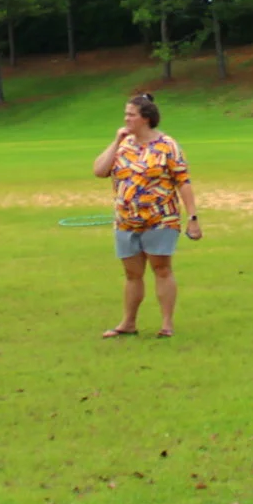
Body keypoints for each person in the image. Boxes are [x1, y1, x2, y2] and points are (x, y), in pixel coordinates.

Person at [93, 93, 201, 339]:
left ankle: (166, 325)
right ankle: (128, 323)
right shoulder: (123, 145)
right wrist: (116, 141)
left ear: (146, 118)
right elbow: (99, 171)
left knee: (162, 269)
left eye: (131, 114)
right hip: (126, 221)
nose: (126, 119)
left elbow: (183, 182)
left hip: (161, 219)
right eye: (126, 114)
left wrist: (192, 218)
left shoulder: (167, 145)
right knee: (132, 274)